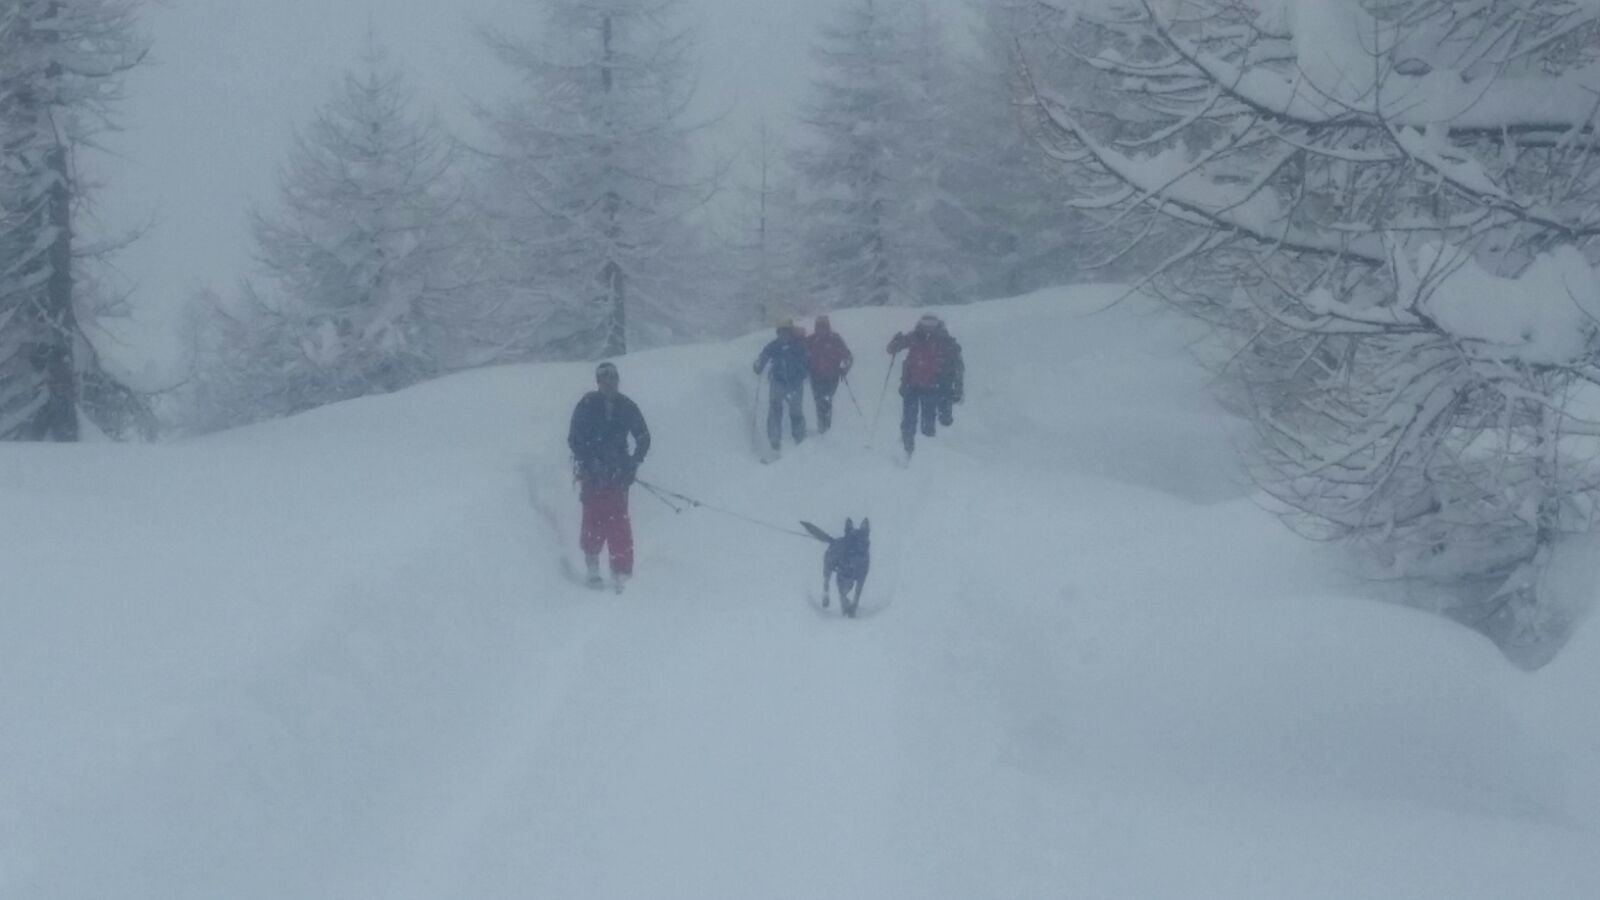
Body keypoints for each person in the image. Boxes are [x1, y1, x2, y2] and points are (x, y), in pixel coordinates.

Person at [567, 361, 650, 591]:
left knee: (619, 525)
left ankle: (621, 573)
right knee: (593, 520)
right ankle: (592, 567)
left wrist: (633, 463)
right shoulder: (586, 405)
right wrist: (589, 461)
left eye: (613, 378)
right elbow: (574, 438)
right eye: (605, 379)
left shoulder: (626, 406)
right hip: (592, 475)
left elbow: (643, 437)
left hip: (618, 475)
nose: (610, 383)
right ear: (598, 382)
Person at [886, 313, 958, 457]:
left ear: (937, 324)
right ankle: (908, 447)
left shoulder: (944, 339)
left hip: (932, 386)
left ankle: (926, 451)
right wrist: (895, 342)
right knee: (909, 419)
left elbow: (956, 362)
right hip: (912, 385)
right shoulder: (914, 336)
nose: (928, 327)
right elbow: (892, 349)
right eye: (925, 323)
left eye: (931, 324)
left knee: (928, 419)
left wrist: (956, 385)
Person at [753, 320, 810, 455]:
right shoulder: (775, 345)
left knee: (795, 413)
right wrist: (758, 364)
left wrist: (804, 370)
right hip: (778, 382)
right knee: (774, 410)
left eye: (786, 332)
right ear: (778, 333)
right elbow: (764, 356)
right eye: (781, 332)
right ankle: (774, 442)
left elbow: (808, 359)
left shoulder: (798, 345)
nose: (783, 335)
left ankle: (800, 440)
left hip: (795, 383)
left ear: (790, 332)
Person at [805, 315, 853, 434]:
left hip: (832, 377)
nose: (821, 330)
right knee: (819, 401)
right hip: (815, 377)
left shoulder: (835, 339)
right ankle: (824, 427)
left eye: (823, 327)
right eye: (819, 327)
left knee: (825, 400)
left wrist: (844, 368)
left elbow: (848, 356)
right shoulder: (811, 340)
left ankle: (825, 428)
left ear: (828, 327)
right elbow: (801, 352)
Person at [932, 318, 964, 428]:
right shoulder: (952, 344)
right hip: (943, 381)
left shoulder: (950, 345)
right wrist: (958, 386)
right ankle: (943, 418)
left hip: (937, 381)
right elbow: (959, 367)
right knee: (943, 400)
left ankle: (941, 418)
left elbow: (959, 367)